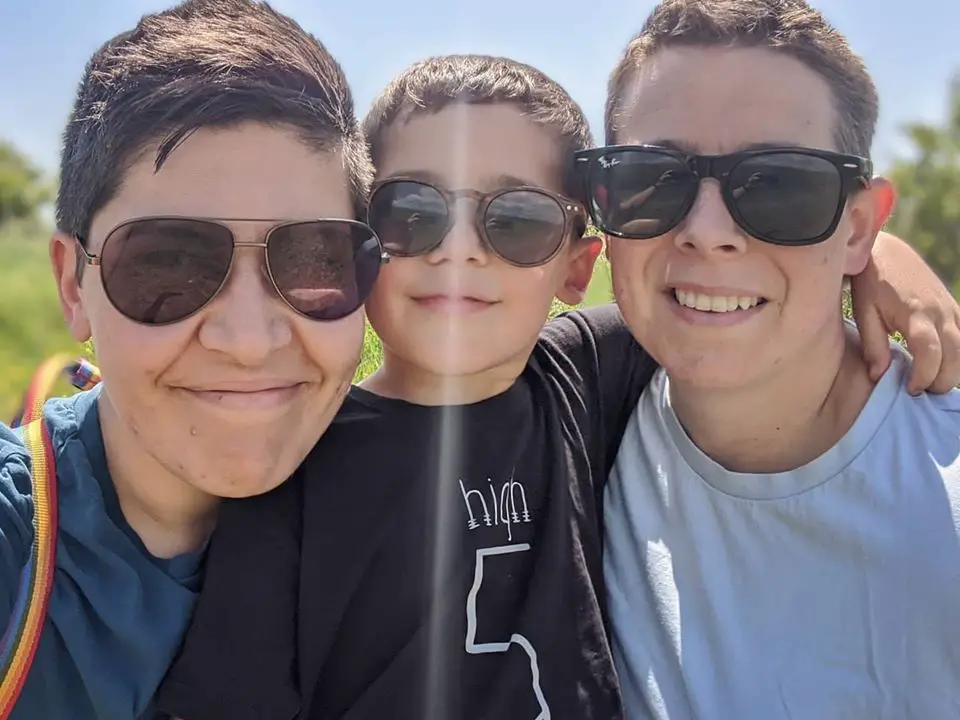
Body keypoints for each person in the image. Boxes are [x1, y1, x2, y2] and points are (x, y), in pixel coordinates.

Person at [156, 50, 960, 720]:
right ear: (360, 241)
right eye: (413, 212)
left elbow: (735, 295)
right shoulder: (295, 458)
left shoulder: (577, 378)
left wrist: (874, 256)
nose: (460, 250)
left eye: (518, 221)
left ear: (577, 265)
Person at [0, 0, 382, 717]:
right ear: (70, 286)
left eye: (312, 259)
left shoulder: (399, 507)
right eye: (167, 262)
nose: (248, 340)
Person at [587, 0, 960, 717]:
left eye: (782, 185)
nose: (706, 231)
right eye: (651, 180)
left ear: (858, 228)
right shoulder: (572, 433)